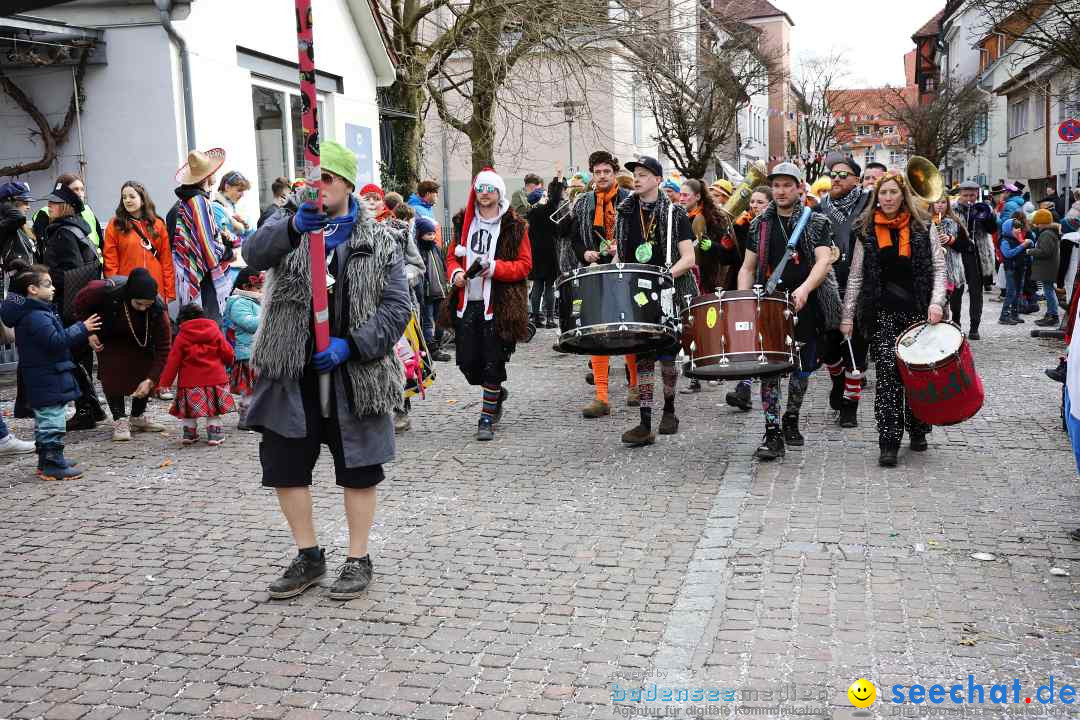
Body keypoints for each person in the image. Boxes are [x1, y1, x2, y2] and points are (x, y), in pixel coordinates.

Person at [244, 139, 412, 600]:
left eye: (329, 179)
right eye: (313, 180)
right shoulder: (287, 225)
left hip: (354, 374)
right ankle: (309, 555)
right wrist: (294, 228)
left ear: (348, 183)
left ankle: (358, 558)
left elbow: (398, 307)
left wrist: (352, 345)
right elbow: (251, 254)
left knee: (358, 468)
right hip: (290, 371)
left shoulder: (381, 239)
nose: (319, 188)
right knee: (285, 466)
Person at [841, 171, 946, 467]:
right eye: (883, 193)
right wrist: (848, 315)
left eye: (892, 193)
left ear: (903, 196)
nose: (887, 198)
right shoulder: (866, 229)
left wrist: (937, 303)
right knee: (888, 377)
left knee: (916, 375)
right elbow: (857, 275)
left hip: (918, 313)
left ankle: (918, 428)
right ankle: (888, 441)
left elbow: (939, 267)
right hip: (883, 313)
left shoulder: (923, 226)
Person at [738, 162, 839, 460]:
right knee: (769, 369)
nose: (781, 191)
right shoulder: (760, 224)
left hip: (805, 304)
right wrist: (745, 300)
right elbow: (748, 267)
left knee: (802, 369)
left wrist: (806, 289)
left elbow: (823, 262)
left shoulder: (816, 221)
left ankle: (791, 417)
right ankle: (772, 433)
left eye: (787, 185)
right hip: (769, 303)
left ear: (799, 188)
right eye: (776, 185)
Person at [443, 168, 532, 441]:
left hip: (499, 305)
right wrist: (456, 273)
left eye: (489, 189)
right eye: (480, 189)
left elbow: (524, 266)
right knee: (468, 363)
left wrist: (495, 268)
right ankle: (496, 394)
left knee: (493, 362)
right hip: (466, 301)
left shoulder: (515, 226)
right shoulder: (463, 222)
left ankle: (486, 417)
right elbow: (451, 258)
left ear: (499, 192)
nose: (484, 194)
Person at [614, 156, 696, 446]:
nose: (637, 179)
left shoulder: (676, 213)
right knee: (643, 351)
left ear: (658, 180)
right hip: (637, 291)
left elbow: (689, 258)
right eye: (635, 174)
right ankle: (645, 422)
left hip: (668, 289)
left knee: (667, 354)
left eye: (644, 174)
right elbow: (620, 255)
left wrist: (665, 276)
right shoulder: (624, 213)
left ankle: (670, 410)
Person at [1, 261, 101, 479]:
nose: (53, 288)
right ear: (32, 289)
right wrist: (82, 328)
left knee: (48, 420)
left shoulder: (39, 312)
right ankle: (53, 464)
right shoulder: (36, 316)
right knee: (52, 421)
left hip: (45, 375)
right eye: (47, 284)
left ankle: (47, 460)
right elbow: (55, 341)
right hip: (46, 375)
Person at [558, 150, 639, 417]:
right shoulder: (582, 203)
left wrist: (621, 247)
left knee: (629, 328)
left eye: (606, 172)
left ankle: (635, 387)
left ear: (615, 173)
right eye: (597, 172)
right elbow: (574, 237)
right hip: (593, 270)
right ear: (592, 174)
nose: (602, 176)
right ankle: (602, 396)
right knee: (596, 331)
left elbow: (640, 235)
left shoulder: (630, 200)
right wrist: (585, 253)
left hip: (624, 270)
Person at [75, 268, 172, 441]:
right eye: (138, 304)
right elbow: (80, 303)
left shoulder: (157, 309)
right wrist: (87, 332)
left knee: (145, 369)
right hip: (110, 336)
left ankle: (137, 416)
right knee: (113, 373)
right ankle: (119, 419)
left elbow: (164, 348)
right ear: (129, 296)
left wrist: (151, 380)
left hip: (142, 340)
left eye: (147, 305)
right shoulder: (104, 292)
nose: (143, 308)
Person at [42, 179, 104, 432]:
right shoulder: (74, 229)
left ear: (66, 206)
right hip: (76, 304)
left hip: (68, 303)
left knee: (74, 357)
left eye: (54, 203)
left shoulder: (64, 233)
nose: (49, 207)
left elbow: (72, 271)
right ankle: (92, 407)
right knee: (79, 356)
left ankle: (85, 410)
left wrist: (47, 278)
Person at [816, 153, 871, 428]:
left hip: (859, 285)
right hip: (827, 286)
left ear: (856, 179)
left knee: (856, 352)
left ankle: (851, 405)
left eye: (842, 175)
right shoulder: (820, 206)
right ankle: (838, 380)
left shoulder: (868, 203)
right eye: (832, 175)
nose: (835, 179)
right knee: (827, 349)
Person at [169, 148, 233, 324]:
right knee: (209, 328)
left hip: (195, 274)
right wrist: (228, 251)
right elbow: (208, 248)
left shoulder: (186, 202)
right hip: (204, 279)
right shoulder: (199, 202)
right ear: (206, 177)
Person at [158, 303, 236, 445]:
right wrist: (229, 362)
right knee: (213, 412)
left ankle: (189, 435)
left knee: (188, 412)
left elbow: (173, 361)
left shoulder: (182, 336)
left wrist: (165, 382)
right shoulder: (215, 331)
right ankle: (215, 436)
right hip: (216, 379)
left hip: (190, 382)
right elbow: (227, 351)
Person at [724, 185, 772, 413]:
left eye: (760, 202)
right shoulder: (743, 225)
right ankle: (744, 388)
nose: (754, 206)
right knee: (752, 338)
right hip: (748, 284)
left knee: (769, 344)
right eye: (752, 202)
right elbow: (735, 259)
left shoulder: (775, 225)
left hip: (774, 287)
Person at [679, 178, 728, 394]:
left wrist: (712, 247)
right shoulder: (682, 217)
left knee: (709, 327)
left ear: (697, 196)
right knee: (691, 329)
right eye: (680, 195)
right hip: (692, 280)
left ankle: (714, 371)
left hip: (705, 280)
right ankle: (695, 376)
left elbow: (726, 251)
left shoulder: (707, 218)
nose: (681, 198)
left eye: (685, 195)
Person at [103, 181, 176, 305]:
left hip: (155, 288)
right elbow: (110, 262)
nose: (127, 200)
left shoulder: (157, 224)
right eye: (124, 197)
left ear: (143, 200)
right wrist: (114, 289)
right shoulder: (115, 225)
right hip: (127, 287)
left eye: (132, 196)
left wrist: (169, 292)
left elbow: (166, 260)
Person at [222, 266, 263, 429]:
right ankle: (245, 417)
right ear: (246, 287)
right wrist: (270, 317)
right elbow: (249, 323)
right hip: (247, 354)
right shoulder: (239, 303)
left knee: (258, 388)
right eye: (259, 288)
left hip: (257, 352)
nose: (262, 291)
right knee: (250, 390)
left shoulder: (256, 301)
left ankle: (257, 416)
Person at [953, 180, 995, 338]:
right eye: (965, 195)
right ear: (960, 194)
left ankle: (974, 326)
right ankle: (956, 322)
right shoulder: (952, 209)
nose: (969, 198)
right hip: (958, 252)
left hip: (977, 253)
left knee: (976, 291)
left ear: (977, 194)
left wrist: (987, 217)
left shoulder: (984, 208)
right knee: (956, 290)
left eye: (972, 195)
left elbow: (992, 230)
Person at [33, 173, 104, 258]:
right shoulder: (45, 213)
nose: (80, 193)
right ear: (63, 193)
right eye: (75, 189)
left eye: (82, 189)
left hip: (94, 266)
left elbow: (101, 243)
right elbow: (43, 250)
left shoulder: (88, 211)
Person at [526, 171, 563, 329]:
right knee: (550, 285)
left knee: (537, 286)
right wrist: (558, 180)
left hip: (535, 252)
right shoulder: (546, 209)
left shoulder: (531, 213)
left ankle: (535, 317)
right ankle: (549, 318)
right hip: (549, 250)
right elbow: (555, 199)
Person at [930, 196, 972, 327]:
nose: (940, 205)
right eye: (937, 202)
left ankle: (956, 328)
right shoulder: (925, 221)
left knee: (955, 305)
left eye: (943, 202)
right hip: (934, 271)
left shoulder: (956, 221)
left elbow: (967, 245)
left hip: (953, 270)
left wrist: (951, 240)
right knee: (939, 305)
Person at [415, 216, 450, 361]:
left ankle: (438, 344)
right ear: (421, 234)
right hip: (427, 293)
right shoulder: (418, 249)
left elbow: (444, 266)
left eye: (433, 233)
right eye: (428, 234)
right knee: (428, 321)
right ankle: (431, 348)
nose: (432, 236)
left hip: (440, 291)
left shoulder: (436, 248)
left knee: (440, 320)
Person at [1027, 208, 1061, 327]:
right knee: (1049, 291)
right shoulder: (1049, 232)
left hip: (1047, 268)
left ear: (1043, 222)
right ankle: (1050, 313)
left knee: (1049, 292)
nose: (1036, 225)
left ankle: (1053, 315)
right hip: (1048, 267)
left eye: (1038, 222)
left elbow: (1045, 252)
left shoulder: (1046, 234)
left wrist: (1030, 251)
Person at [999, 212, 1033, 325]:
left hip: (1020, 269)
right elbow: (1008, 254)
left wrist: (1028, 242)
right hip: (1011, 270)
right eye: (1016, 228)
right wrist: (1022, 246)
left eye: (1019, 228)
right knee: (1011, 293)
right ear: (1009, 229)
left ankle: (1014, 314)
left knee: (1018, 292)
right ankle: (1004, 315)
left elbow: (1030, 243)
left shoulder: (1017, 239)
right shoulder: (1005, 240)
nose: (1019, 230)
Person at [0, 182, 38, 271]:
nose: (28, 207)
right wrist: (5, 202)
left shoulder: (21, 226)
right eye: (25, 202)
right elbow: (18, 217)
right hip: (16, 281)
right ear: (10, 203)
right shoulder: (5, 226)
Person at [213, 171, 253, 250]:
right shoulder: (216, 208)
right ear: (227, 187)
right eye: (239, 190)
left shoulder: (233, 207)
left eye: (243, 191)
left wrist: (245, 225)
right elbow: (229, 240)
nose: (242, 195)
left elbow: (252, 233)